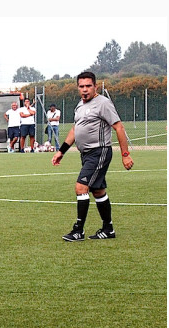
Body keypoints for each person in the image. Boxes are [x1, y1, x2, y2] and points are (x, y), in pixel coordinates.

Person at [52, 71, 133, 242]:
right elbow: (75, 130)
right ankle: (108, 228)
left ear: (95, 86)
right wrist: (62, 151)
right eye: (81, 86)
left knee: (81, 187)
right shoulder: (80, 105)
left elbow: (118, 127)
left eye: (88, 86)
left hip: (99, 151)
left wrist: (125, 155)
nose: (85, 90)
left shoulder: (103, 103)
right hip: (87, 154)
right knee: (98, 191)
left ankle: (78, 231)